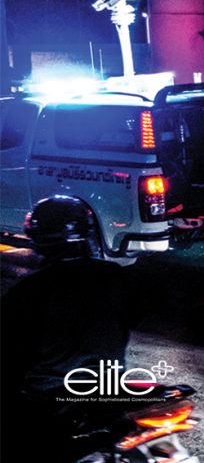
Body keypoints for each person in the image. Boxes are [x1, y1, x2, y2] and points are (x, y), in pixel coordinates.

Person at [0, 196, 142, 460]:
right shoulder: (116, 276)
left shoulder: (28, 292)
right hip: (107, 393)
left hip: (44, 400)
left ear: (39, 240)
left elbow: (9, 348)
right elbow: (133, 317)